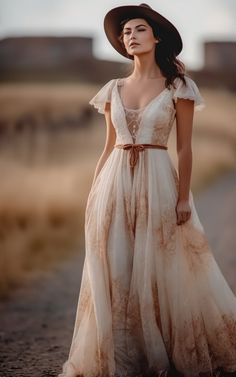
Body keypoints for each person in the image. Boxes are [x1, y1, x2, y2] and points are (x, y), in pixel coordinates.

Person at [58, 4, 236, 377]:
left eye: (138, 29)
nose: (130, 36)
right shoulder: (113, 88)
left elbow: (185, 148)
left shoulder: (179, 87)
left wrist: (184, 196)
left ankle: (163, 352)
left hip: (158, 181)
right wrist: (94, 194)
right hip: (114, 183)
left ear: (156, 37)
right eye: (125, 33)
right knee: (117, 268)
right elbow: (108, 147)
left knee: (160, 267)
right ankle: (122, 356)